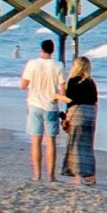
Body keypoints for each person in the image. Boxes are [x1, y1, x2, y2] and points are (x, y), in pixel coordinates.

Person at [19, 37, 67, 182]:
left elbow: (23, 85)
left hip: (35, 105)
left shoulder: (32, 64)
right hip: (51, 106)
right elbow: (63, 90)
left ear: (41, 50)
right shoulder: (58, 65)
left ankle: (37, 175)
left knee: (36, 141)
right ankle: (51, 176)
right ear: (53, 51)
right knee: (51, 142)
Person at [61, 57, 100, 185]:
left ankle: (77, 177)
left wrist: (66, 117)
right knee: (88, 146)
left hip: (78, 113)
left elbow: (70, 101)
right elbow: (95, 102)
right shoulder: (91, 82)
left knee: (76, 145)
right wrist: (94, 117)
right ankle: (91, 176)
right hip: (90, 114)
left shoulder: (72, 81)